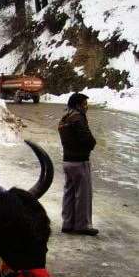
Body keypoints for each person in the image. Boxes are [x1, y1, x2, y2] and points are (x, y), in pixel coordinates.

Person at [58, 92, 97, 236]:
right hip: (80, 161)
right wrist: (92, 144)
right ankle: (82, 225)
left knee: (69, 192)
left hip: (67, 160)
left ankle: (67, 223)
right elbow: (85, 137)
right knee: (83, 194)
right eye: (85, 104)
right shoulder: (78, 117)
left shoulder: (65, 117)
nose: (86, 107)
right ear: (78, 105)